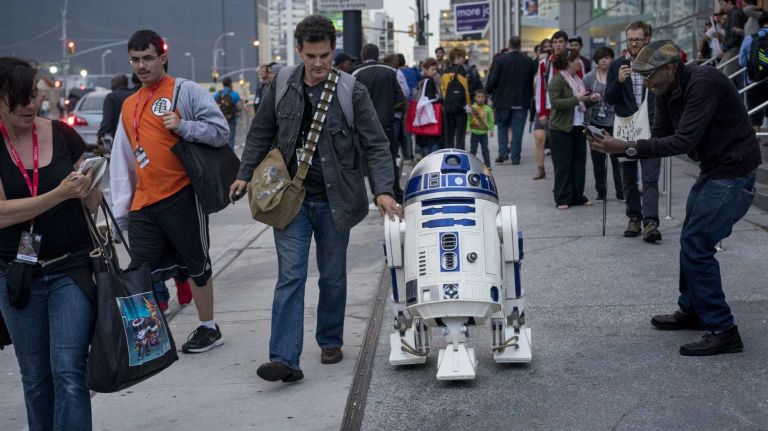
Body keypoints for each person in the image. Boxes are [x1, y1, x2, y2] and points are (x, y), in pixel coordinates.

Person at [229, 15, 399, 382]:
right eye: (311, 55)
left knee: (333, 276)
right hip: (290, 201)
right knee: (290, 276)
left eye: (325, 54)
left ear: (333, 49)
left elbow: (376, 145)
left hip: (337, 202)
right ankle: (284, 359)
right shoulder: (282, 85)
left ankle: (330, 338)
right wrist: (244, 175)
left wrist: (383, 191)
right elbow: (260, 132)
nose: (319, 63)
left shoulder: (351, 91)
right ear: (298, 51)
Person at [589, 40, 761, 356]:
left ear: (668, 69)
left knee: (697, 245)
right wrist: (623, 146)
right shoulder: (668, 90)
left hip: (734, 173)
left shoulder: (702, 82)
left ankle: (723, 329)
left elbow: (683, 141)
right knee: (690, 240)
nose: (647, 85)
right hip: (715, 169)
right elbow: (659, 138)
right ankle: (693, 310)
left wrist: (624, 148)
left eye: (649, 77)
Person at [110, 29, 229, 354]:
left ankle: (209, 328)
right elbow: (122, 157)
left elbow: (221, 131)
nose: (141, 65)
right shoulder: (129, 104)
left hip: (182, 195)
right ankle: (148, 339)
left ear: (163, 56)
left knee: (196, 265)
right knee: (140, 271)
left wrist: (184, 126)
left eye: (148, 58)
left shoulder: (184, 90)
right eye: (135, 59)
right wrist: (121, 209)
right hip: (143, 203)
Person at [0, 56, 103, 430]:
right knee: (36, 378)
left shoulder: (63, 134)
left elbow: (89, 203)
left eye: (34, 96)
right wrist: (59, 194)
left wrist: (91, 183)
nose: (30, 106)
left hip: (69, 268)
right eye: (19, 99)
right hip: (17, 274)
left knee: (69, 371)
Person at [605, 21, 662, 242]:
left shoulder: (657, 63)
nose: (634, 43)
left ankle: (650, 223)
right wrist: (619, 81)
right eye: (630, 39)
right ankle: (634, 218)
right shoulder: (617, 66)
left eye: (638, 39)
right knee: (628, 177)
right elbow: (609, 98)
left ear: (647, 39)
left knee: (649, 178)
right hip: (626, 130)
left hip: (652, 128)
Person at [353, 44, 406, 204]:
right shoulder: (391, 71)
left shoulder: (357, 73)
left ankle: (377, 194)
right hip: (388, 123)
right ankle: (393, 190)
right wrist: (392, 112)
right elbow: (401, 96)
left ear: (363, 55)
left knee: (370, 159)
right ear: (378, 54)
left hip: (364, 126)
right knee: (390, 157)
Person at [547, 48, 599, 209]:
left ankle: (578, 196)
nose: (580, 62)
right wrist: (577, 99)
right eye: (576, 59)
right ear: (569, 62)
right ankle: (562, 198)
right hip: (560, 128)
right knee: (563, 164)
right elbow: (556, 103)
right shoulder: (557, 80)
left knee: (579, 162)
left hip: (578, 126)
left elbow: (581, 102)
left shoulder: (577, 79)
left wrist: (592, 99)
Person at [485, 36, 537, 165]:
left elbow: (492, 81)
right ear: (520, 46)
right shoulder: (528, 62)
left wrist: (493, 92)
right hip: (521, 101)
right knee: (518, 130)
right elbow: (532, 82)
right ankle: (515, 157)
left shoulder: (499, 61)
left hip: (502, 100)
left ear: (509, 45)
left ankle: (503, 153)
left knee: (502, 127)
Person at [583, 46, 623, 202]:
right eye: (601, 58)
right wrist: (590, 99)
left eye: (607, 57)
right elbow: (583, 103)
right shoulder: (588, 78)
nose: (604, 61)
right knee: (598, 159)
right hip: (595, 122)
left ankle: (621, 192)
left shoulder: (616, 76)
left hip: (615, 121)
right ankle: (601, 192)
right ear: (596, 61)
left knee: (617, 158)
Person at [535, 30, 585, 141]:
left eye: (561, 41)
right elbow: (540, 89)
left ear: (566, 43)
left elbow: (582, 85)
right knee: (541, 140)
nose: (557, 44)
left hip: (572, 108)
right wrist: (541, 111)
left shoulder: (578, 62)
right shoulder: (545, 63)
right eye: (555, 42)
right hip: (550, 107)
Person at [739, 12, 768, 130]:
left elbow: (742, 62)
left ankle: (755, 142)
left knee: (755, 116)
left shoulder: (750, 38)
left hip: (754, 81)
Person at [441, 47, 471, 151]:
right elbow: (465, 90)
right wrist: (468, 105)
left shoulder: (444, 72)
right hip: (460, 107)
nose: (464, 59)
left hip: (448, 107)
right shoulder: (462, 71)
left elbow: (443, 90)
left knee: (449, 133)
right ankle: (460, 154)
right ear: (457, 57)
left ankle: (448, 155)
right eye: (463, 57)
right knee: (460, 135)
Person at [97, 74, 135, 154]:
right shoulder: (135, 95)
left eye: (113, 83)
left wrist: (100, 135)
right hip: (135, 138)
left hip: (119, 137)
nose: (111, 86)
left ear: (117, 83)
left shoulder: (111, 97)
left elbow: (108, 120)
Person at [531, 38, 553, 179]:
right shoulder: (536, 73)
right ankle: (540, 168)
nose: (543, 63)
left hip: (554, 109)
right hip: (540, 109)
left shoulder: (555, 71)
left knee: (555, 142)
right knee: (539, 138)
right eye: (540, 59)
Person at [414, 57, 442, 158]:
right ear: (425, 69)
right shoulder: (430, 81)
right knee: (432, 143)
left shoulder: (422, 81)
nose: (434, 72)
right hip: (429, 117)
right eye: (432, 69)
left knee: (424, 143)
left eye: (435, 69)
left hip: (422, 117)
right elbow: (431, 98)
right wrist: (440, 99)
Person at [719, 0, 747, 82]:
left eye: (722, 4)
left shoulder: (735, 14)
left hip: (735, 48)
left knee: (725, 77)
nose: (721, 6)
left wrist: (724, 48)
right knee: (720, 73)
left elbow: (734, 37)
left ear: (729, 2)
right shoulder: (733, 14)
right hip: (732, 48)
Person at [213, 77, 244, 150]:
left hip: (220, 119)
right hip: (232, 119)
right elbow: (240, 107)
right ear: (230, 84)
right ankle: (231, 154)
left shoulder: (217, 94)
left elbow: (213, 104)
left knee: (221, 136)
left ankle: (222, 153)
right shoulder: (235, 94)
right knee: (231, 137)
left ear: (223, 84)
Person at [466, 89, 494, 168]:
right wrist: (467, 128)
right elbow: (468, 119)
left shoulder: (488, 109)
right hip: (474, 133)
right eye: (478, 97)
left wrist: (491, 130)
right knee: (473, 150)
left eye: (482, 97)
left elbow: (490, 120)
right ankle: (471, 164)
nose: (480, 99)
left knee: (485, 150)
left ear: (485, 98)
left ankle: (487, 165)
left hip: (484, 133)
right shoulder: (472, 108)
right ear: (475, 98)